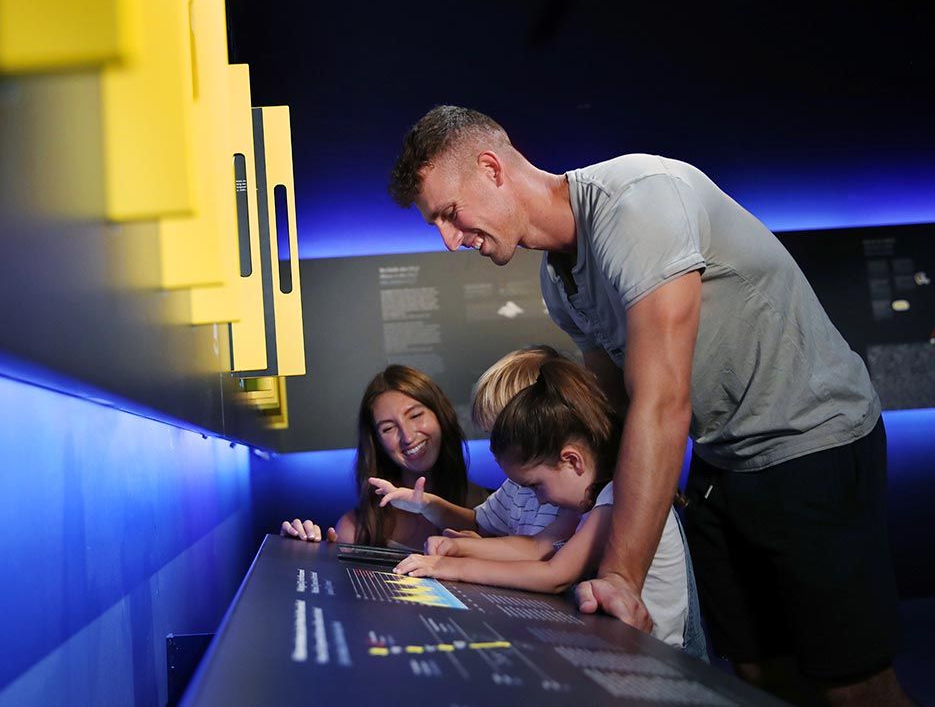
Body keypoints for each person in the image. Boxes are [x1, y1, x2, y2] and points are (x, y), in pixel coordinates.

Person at [388, 105, 909, 704]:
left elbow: (661, 403)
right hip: (724, 463)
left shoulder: (638, 201)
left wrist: (619, 578)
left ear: (491, 169)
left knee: (855, 691)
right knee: (758, 677)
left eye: (451, 215)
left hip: (813, 443)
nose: (452, 240)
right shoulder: (559, 285)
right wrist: (532, 541)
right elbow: (607, 417)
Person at [392, 358, 705, 657]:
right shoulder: (589, 502)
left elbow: (555, 574)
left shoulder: (616, 498)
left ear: (571, 460)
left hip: (660, 654)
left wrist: (450, 569)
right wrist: (459, 550)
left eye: (537, 486)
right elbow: (536, 547)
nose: (539, 498)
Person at [371, 345, 579, 540]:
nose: (494, 449)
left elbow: (539, 553)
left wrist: (468, 556)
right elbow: (479, 524)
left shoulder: (569, 493)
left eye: (503, 436)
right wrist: (425, 504)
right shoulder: (514, 488)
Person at [280, 364, 488, 548]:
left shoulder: (497, 510)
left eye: (415, 415)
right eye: (388, 428)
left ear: (441, 416)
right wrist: (303, 554)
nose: (407, 436)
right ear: (377, 443)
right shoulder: (356, 530)